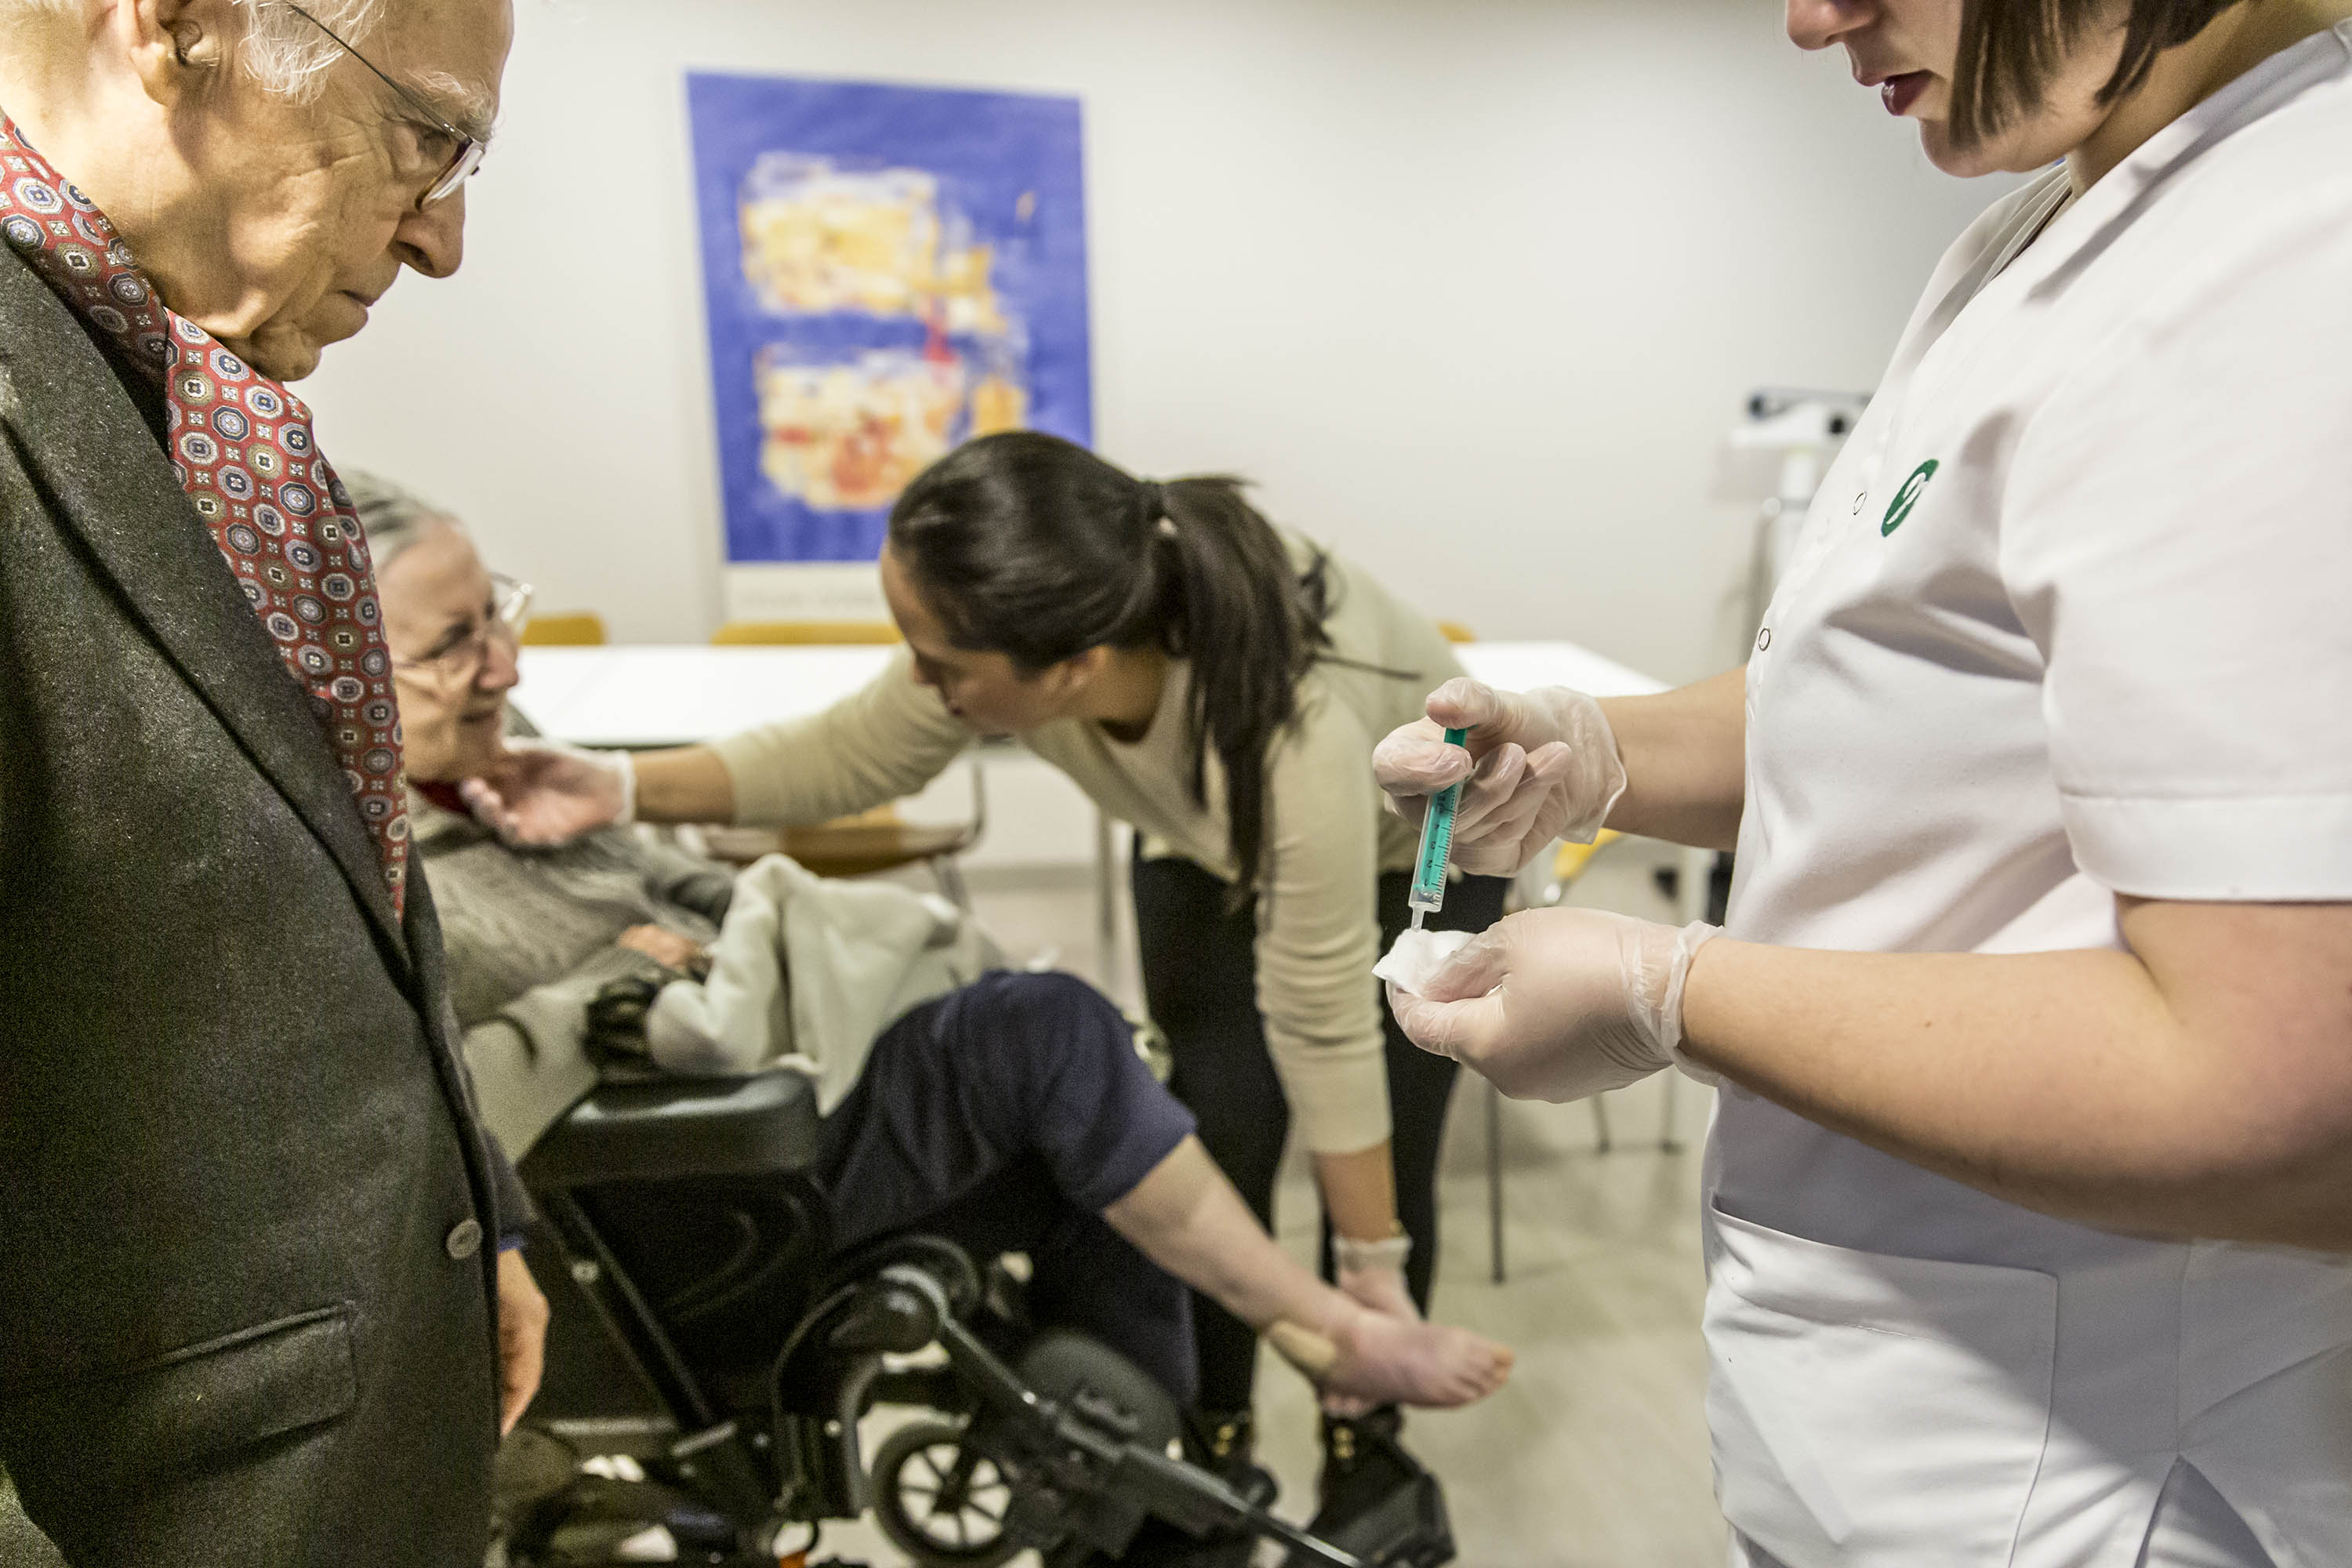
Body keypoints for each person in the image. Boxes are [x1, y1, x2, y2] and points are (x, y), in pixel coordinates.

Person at [1375, 2, 2352, 1563]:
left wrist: (1665, 989)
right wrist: (1593, 754)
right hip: (1896, 1391)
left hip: (2086, 1449)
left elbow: (2280, 1094)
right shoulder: (2047, 224)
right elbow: (1895, 700)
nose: (1810, 16)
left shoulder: (2284, 264)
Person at [357, 474, 1512, 1434]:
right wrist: (624, 822)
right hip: (713, 1132)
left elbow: (1319, 1009)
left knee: (1229, 1123)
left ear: (1067, 672)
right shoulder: (372, 871)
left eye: (493, 618)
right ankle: (1256, 1401)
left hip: (1409, 860)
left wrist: (1371, 1259)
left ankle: (1290, 1420)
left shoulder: (1297, 729)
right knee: (1143, 1088)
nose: (506, 667)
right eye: (455, 642)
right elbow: (847, 756)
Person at [0, 3, 543, 1566]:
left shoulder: (162, 390)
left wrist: (465, 1208)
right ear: (178, 27)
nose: (441, 238)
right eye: (430, 138)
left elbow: (275, 899)